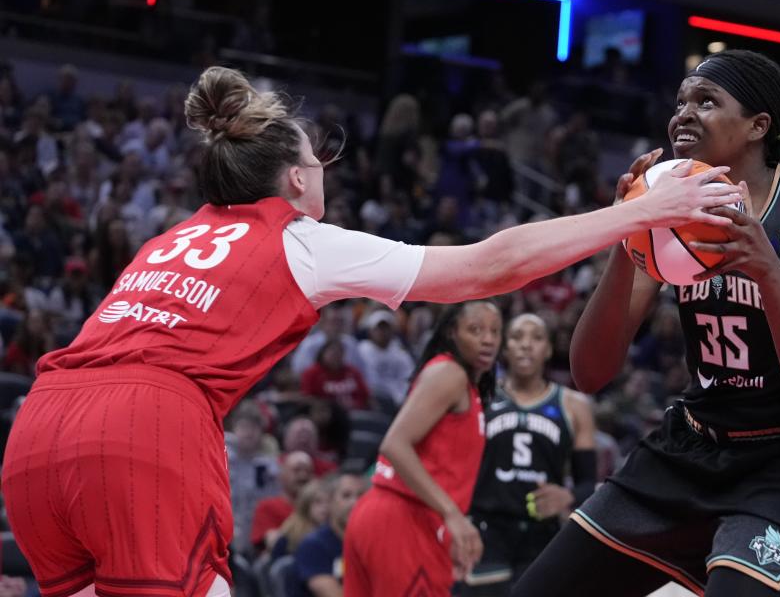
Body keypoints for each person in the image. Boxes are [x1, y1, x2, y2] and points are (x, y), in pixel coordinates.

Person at [1, 65, 739, 597]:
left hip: (37, 431)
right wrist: (641, 213)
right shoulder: (299, 239)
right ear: (295, 179)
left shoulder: (167, 241)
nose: (326, 173)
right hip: (144, 429)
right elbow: (491, 264)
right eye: (319, 162)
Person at [511, 49, 780, 597]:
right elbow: (589, 372)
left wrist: (768, 272)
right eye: (679, 102)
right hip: (698, 442)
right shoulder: (671, 203)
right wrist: (630, 235)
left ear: (757, 127)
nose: (683, 114)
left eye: (706, 101)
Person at [343, 301, 503, 596]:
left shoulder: (463, 385)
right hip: (403, 519)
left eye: (495, 331)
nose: (488, 339)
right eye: (475, 329)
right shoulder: (450, 373)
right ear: (452, 332)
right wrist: (452, 515)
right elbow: (395, 443)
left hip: (388, 515)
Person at [465, 313, 596, 596]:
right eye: (516, 337)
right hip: (486, 530)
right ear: (504, 347)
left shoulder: (574, 405)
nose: (526, 345)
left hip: (542, 534)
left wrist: (568, 495)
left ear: (548, 349)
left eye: (536, 338)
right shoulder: (479, 398)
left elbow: (590, 484)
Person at [290, 472, 368, 597]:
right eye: (346, 496)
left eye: (361, 496)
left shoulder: (368, 543)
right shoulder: (313, 546)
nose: (355, 502)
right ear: (330, 501)